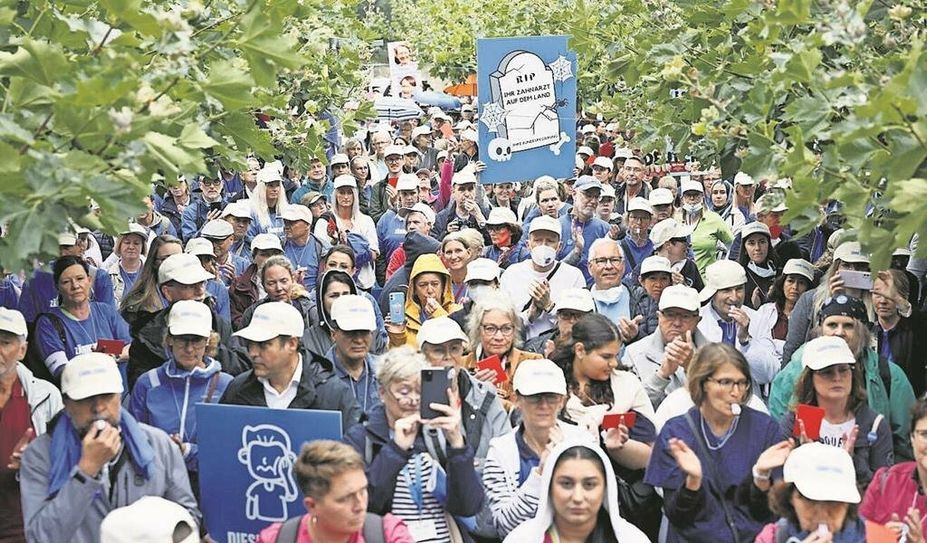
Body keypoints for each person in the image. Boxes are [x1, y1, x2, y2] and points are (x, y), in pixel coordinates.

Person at [19, 353, 200, 543]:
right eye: (86, 398)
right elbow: (40, 537)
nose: (98, 407)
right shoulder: (40, 455)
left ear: (119, 396)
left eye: (106, 396)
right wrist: (86, 472)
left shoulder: (158, 444)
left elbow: (188, 519)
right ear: (67, 403)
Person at [644, 343, 789, 543]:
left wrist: (761, 478)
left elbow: (771, 512)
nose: (736, 392)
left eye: (742, 382)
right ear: (703, 383)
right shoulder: (676, 431)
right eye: (726, 382)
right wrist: (692, 483)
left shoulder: (764, 428)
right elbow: (675, 514)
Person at [343, 347, 484, 543]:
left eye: (420, 391)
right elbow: (363, 506)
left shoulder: (437, 433)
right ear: (383, 393)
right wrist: (396, 450)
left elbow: (469, 506)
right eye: (403, 391)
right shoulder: (360, 438)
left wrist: (457, 444)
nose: (413, 400)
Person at [769, 294, 917, 461]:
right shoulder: (802, 365)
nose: (839, 332)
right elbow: (781, 422)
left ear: (862, 330)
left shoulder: (888, 374)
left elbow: (904, 440)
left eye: (848, 326)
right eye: (832, 325)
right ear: (820, 329)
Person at [127, 300, 232, 492]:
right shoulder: (147, 383)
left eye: (197, 340)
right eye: (182, 339)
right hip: (158, 485)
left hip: (208, 486)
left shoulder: (227, 384)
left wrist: (188, 451)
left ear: (208, 341)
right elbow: (134, 439)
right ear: (169, 339)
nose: (189, 348)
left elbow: (229, 450)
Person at [482, 360, 590, 537]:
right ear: (517, 400)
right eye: (534, 397)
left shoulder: (583, 441)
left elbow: (595, 510)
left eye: (551, 397)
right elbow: (503, 526)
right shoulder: (500, 450)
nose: (544, 405)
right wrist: (540, 474)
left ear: (562, 401)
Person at [220, 302, 360, 430]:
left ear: (292, 344)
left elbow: (356, 448)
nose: (253, 353)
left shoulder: (332, 393)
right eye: (251, 344)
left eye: (263, 345)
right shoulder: (238, 389)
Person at [778, 336, 892, 487]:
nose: (837, 378)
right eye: (827, 372)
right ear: (810, 377)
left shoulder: (873, 425)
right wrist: (805, 459)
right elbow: (782, 486)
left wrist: (851, 463)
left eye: (844, 370)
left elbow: (884, 490)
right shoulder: (799, 421)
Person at [256, 440, 414, 543]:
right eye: (345, 499)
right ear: (312, 506)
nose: (360, 506)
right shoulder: (275, 539)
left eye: (363, 491)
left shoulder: (389, 534)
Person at [127, 253, 248, 388]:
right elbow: (140, 389)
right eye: (190, 285)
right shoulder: (146, 335)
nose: (200, 291)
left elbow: (241, 371)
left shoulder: (219, 325)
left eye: (202, 283)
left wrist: (209, 348)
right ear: (167, 292)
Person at [502, 440, 651, 543]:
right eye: (566, 484)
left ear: (605, 489)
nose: (578, 497)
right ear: (550, 487)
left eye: (589, 484)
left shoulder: (630, 539)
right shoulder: (523, 538)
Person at [0, 308, 63, 543]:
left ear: (22, 350)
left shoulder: (45, 396)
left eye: (5, 343)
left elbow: (67, 459)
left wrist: (36, 461)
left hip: (27, 526)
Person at [417, 317, 511, 467]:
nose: (448, 356)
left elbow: (506, 452)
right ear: (422, 355)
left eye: (454, 348)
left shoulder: (486, 393)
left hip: (483, 485)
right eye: (438, 350)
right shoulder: (412, 397)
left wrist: (471, 467)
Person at [35, 256, 131, 380]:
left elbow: (132, 347)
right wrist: (97, 360)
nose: (75, 286)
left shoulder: (105, 311)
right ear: (57, 287)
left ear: (89, 280)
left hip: (119, 394)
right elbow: (61, 371)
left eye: (80, 278)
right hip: (80, 396)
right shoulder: (48, 324)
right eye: (66, 282)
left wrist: (112, 354)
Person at [782, 240, 876, 364]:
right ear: (835, 268)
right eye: (846, 265)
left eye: (860, 266)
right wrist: (832, 302)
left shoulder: (876, 301)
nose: (853, 271)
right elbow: (792, 347)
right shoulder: (810, 299)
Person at [755, 443, 867, 543]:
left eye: (833, 501)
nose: (822, 513)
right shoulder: (772, 538)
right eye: (810, 500)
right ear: (790, 497)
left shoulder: (876, 537)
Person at [697, 260, 779, 394]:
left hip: (747, 400)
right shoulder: (698, 321)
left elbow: (769, 373)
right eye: (726, 290)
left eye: (739, 289)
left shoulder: (757, 319)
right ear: (713, 292)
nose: (734, 298)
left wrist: (746, 340)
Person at [623, 285, 711, 409]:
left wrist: (692, 369)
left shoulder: (715, 354)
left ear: (697, 320)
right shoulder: (634, 353)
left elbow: (721, 402)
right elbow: (630, 408)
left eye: (685, 316)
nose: (677, 323)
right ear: (659, 317)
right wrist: (661, 375)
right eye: (670, 315)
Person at [499, 215, 586, 340]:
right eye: (538, 240)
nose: (543, 246)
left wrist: (549, 306)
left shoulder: (574, 275)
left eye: (550, 241)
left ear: (559, 246)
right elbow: (502, 321)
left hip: (560, 349)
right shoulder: (512, 274)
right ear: (528, 245)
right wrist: (529, 316)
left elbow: (580, 322)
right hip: (522, 350)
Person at [860, 399, 927, 540]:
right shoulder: (886, 480)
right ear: (912, 437)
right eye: (925, 435)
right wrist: (881, 537)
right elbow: (857, 536)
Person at [462, 296, 543, 406]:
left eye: (506, 329)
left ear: (515, 330)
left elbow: (534, 410)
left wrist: (487, 397)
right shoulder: (461, 366)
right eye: (490, 328)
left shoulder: (532, 362)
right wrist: (468, 392)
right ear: (478, 330)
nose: (499, 337)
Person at [314, 175, 379, 291]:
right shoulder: (325, 221)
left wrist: (354, 247)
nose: (346, 197)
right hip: (334, 282)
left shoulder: (366, 221)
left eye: (349, 193)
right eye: (341, 192)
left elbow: (374, 253)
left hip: (363, 283)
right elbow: (322, 254)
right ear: (335, 195)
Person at [587, 238, 656, 344]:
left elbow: (656, 348)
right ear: (590, 267)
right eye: (601, 261)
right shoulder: (580, 300)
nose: (609, 266)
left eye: (614, 260)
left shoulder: (642, 298)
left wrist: (636, 336)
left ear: (623, 265)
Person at [386, 254, 462, 348]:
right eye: (422, 285)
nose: (429, 290)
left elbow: (463, 348)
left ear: (444, 287)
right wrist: (397, 336)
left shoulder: (458, 312)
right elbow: (397, 358)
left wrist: (439, 314)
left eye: (435, 284)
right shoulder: (405, 319)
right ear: (414, 290)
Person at [872, 269, 927, 397]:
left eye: (889, 295)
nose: (883, 301)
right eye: (877, 294)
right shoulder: (867, 329)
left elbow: (920, 323)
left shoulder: (916, 331)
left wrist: (901, 302)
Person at [326, 295, 383, 419]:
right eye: (350, 333)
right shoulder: (317, 378)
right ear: (333, 333)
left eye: (364, 332)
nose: (358, 340)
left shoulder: (385, 373)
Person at [754, 258, 814, 364]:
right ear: (782, 283)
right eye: (790, 281)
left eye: (801, 283)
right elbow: (753, 344)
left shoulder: (812, 318)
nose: (795, 287)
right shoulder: (765, 310)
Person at [119, 234, 183, 332]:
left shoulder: (197, 295)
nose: (173, 264)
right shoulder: (137, 304)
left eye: (179, 259)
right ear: (154, 262)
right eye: (166, 259)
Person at [557, 176, 614, 286]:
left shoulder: (604, 229)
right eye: (588, 195)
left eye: (597, 197)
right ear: (574, 194)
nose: (593, 201)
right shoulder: (557, 226)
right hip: (563, 293)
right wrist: (576, 252)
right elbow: (550, 268)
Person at [239, 255, 313, 332]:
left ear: (293, 280)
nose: (279, 288)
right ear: (263, 286)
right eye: (271, 283)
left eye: (284, 281)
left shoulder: (308, 312)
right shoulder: (253, 313)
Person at [229, 233, 284, 330]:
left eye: (275, 254)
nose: (270, 259)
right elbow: (236, 318)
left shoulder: (292, 282)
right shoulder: (239, 285)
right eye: (264, 255)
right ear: (253, 258)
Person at [679, 179, 733, 275]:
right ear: (682, 198)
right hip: (681, 279)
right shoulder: (676, 221)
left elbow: (733, 246)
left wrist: (725, 269)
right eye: (688, 195)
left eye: (696, 195)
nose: (692, 199)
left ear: (702, 197)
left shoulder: (714, 219)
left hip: (707, 279)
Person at [523, 287, 596, 356]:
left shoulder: (600, 349)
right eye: (566, 315)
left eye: (579, 316)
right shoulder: (534, 349)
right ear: (557, 317)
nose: (572, 321)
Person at [281, 204, 327, 292]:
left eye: (292, 222)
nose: (286, 226)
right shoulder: (280, 247)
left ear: (307, 225)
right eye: (286, 222)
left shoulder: (322, 248)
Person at [649, 218, 704, 290]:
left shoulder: (690, 267)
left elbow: (702, 297)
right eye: (684, 240)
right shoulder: (647, 266)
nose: (688, 244)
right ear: (668, 245)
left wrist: (684, 287)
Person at [736, 222, 780, 309]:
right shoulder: (738, 275)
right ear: (744, 249)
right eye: (751, 243)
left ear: (769, 245)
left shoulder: (779, 272)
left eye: (762, 242)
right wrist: (754, 306)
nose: (757, 248)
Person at [103, 223, 148, 303]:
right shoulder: (108, 275)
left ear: (142, 247)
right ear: (119, 245)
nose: (131, 247)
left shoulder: (151, 273)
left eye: (136, 243)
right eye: (127, 242)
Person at [201, 219, 248, 286]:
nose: (214, 245)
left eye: (219, 241)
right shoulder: (199, 264)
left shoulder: (243, 265)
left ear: (231, 239)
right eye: (210, 241)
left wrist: (236, 284)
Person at [181, 176, 226, 241]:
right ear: (200, 185)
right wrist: (207, 225)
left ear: (222, 184)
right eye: (207, 182)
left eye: (216, 182)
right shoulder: (189, 211)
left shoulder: (230, 207)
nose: (212, 186)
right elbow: (189, 241)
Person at [620, 197, 655, 281]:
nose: (639, 222)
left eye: (644, 218)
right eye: (634, 217)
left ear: (650, 221)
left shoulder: (655, 246)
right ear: (628, 219)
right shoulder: (619, 246)